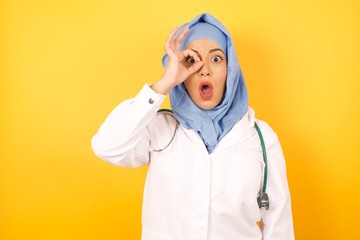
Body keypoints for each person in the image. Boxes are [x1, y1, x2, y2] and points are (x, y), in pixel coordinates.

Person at [92, 13, 295, 240]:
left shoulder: (261, 137)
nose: (204, 70)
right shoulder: (158, 128)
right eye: (191, 60)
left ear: (231, 69)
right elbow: (106, 146)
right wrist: (164, 83)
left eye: (217, 59)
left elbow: (279, 224)